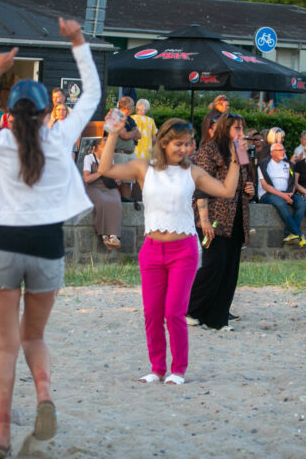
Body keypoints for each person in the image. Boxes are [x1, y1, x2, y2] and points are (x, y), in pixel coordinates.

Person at [0, 18, 98, 459]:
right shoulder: (60, 139)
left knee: (4, 346)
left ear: (10, 114)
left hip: (4, 248)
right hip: (48, 249)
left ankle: (0, 434)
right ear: (47, 114)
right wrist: (77, 42)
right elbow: (91, 96)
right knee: (34, 338)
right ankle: (45, 396)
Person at [99, 117, 241, 386]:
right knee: (152, 313)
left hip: (183, 251)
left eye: (188, 144)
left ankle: (178, 370)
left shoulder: (193, 172)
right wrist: (114, 135)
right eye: (179, 144)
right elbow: (106, 169)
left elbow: (227, 189)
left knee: (174, 312)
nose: (184, 149)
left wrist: (236, 160)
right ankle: (156, 368)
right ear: (163, 143)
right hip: (151, 251)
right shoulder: (144, 168)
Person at [186, 113, 254, 331]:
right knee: (214, 264)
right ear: (226, 129)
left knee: (230, 269)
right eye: (237, 129)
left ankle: (217, 318)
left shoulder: (239, 152)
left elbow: (241, 181)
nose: (241, 134)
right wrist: (204, 219)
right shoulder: (209, 150)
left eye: (242, 128)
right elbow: (201, 185)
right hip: (214, 217)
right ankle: (190, 308)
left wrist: (248, 190)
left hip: (235, 217)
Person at [258, 143, 306, 246]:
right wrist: (283, 196)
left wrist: (290, 193)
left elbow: (293, 180)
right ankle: (297, 233)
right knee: (281, 203)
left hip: (287, 193)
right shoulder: (263, 165)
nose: (283, 152)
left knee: (302, 204)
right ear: (272, 153)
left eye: (283, 150)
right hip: (268, 194)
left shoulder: (288, 164)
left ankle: (289, 233)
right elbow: (265, 186)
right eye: (280, 150)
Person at [82, 136, 123, 249]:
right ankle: (104, 235)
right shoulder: (89, 158)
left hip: (108, 187)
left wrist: (117, 179)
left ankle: (113, 236)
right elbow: (86, 179)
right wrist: (101, 172)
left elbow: (111, 176)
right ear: (98, 147)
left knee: (116, 202)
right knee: (102, 201)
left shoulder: (110, 158)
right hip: (94, 187)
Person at [113, 96, 141, 201]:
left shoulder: (131, 120)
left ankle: (127, 205)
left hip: (130, 154)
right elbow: (124, 135)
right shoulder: (116, 117)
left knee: (128, 182)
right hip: (120, 154)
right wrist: (132, 133)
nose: (133, 108)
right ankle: (116, 203)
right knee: (117, 182)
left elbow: (139, 135)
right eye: (132, 106)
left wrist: (131, 133)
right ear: (126, 106)